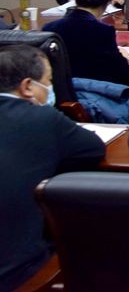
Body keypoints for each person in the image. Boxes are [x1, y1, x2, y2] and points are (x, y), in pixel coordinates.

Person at [0, 45, 105, 290]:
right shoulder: (42, 118)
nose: (50, 88)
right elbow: (93, 150)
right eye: (48, 81)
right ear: (27, 86)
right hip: (17, 273)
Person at [44, 0, 129, 86]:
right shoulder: (103, 31)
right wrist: (123, 58)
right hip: (94, 90)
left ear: (77, 0)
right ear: (106, 4)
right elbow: (120, 73)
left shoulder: (49, 28)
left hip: (61, 92)